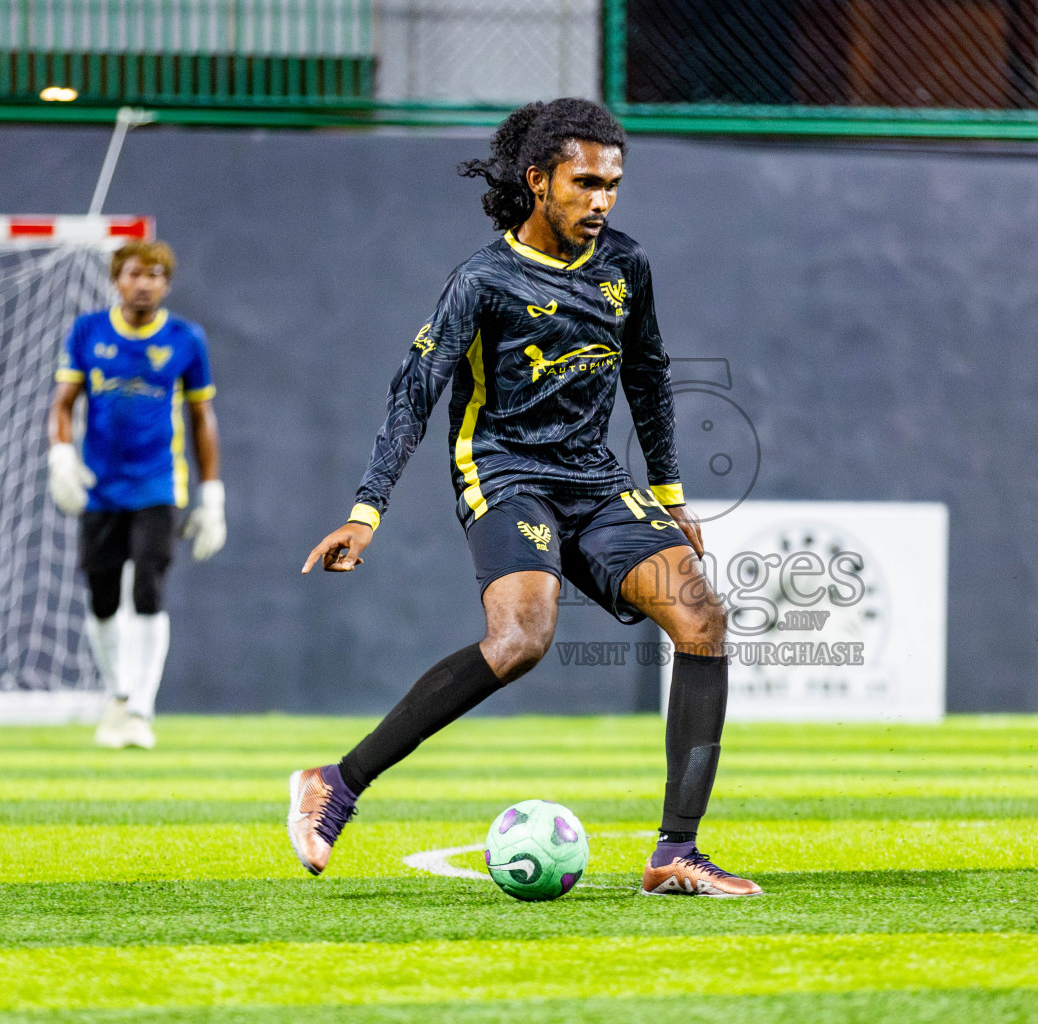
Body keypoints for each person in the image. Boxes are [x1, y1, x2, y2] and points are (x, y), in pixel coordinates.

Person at [288, 98, 760, 898]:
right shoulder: (483, 280)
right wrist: (367, 509)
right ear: (539, 180)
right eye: (584, 183)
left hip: (595, 480)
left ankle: (676, 852)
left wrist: (672, 496)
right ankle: (337, 781)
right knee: (521, 640)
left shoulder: (626, 266)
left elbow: (648, 375)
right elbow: (415, 391)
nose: (602, 200)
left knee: (702, 618)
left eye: (613, 184)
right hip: (505, 472)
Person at [48, 239, 226, 750]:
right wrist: (61, 456)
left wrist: (211, 493)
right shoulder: (88, 332)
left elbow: (201, 417)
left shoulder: (186, 339)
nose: (142, 282)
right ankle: (119, 695)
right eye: (132, 273)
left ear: (166, 284)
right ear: (116, 280)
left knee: (149, 584)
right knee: (102, 594)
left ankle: (142, 709)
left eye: (153, 274)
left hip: (158, 483)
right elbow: (64, 403)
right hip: (100, 486)